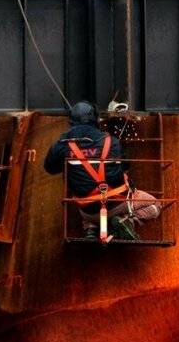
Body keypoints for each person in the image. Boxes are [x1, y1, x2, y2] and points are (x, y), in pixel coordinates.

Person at [44, 101, 161, 241]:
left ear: (71, 121)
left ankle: (91, 229)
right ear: (95, 119)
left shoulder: (61, 146)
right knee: (155, 204)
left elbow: (50, 168)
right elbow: (126, 166)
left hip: (87, 211)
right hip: (117, 205)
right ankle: (128, 222)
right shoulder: (112, 142)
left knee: (80, 181)